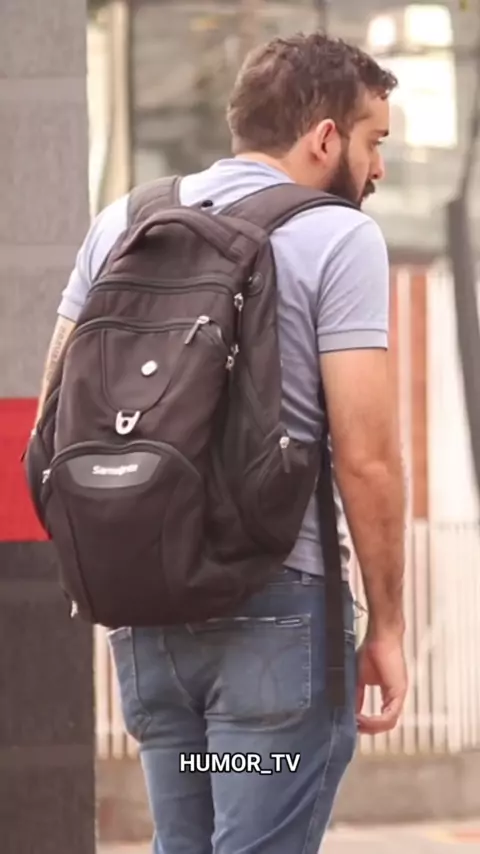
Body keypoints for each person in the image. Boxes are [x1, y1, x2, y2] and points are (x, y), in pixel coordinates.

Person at [35, 32, 408, 854]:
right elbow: (368, 458)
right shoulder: (339, 236)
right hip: (275, 615)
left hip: (150, 621)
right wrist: (387, 624)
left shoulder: (122, 222)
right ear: (325, 138)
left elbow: (52, 412)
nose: (378, 167)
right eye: (373, 140)